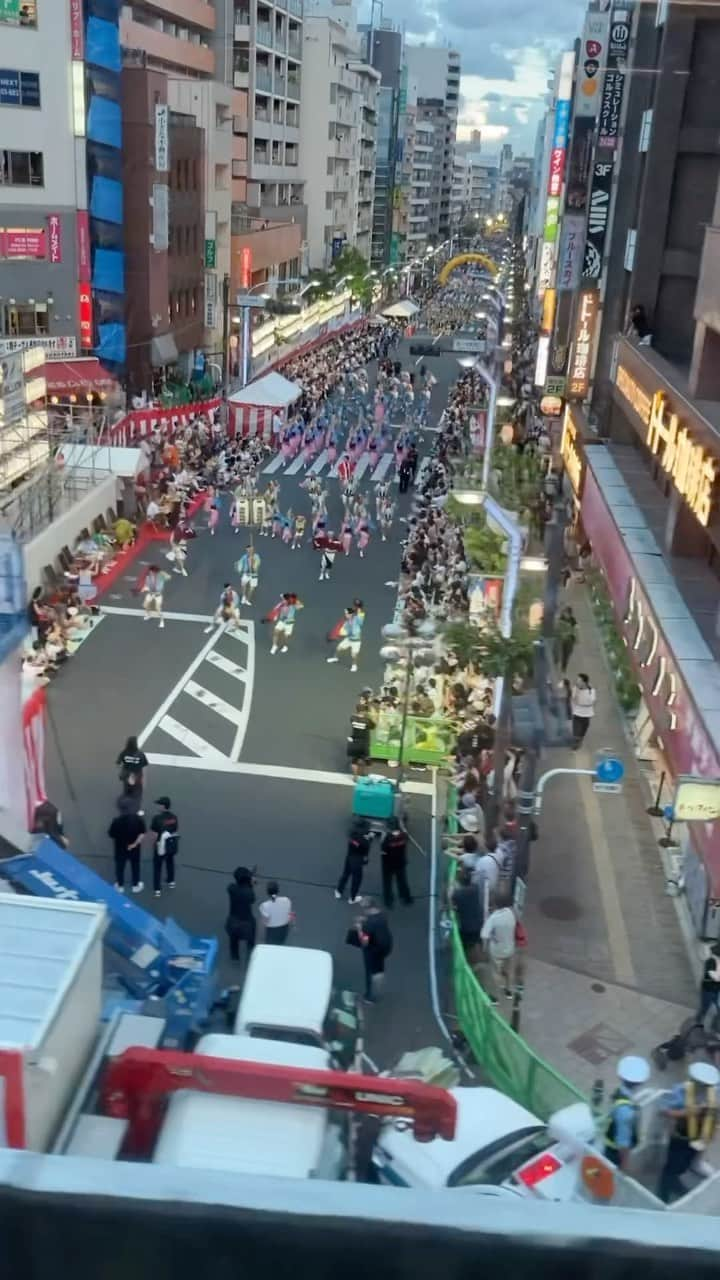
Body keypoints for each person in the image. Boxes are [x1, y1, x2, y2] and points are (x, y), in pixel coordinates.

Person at [658, 1062, 720, 1202]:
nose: (706, 1088)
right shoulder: (681, 1091)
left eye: (708, 1085)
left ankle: (675, 1182)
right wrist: (685, 1113)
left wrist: (711, 1134)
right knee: (671, 1166)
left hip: (700, 1137)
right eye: (703, 1084)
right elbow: (663, 1110)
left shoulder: (714, 1092)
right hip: (681, 1137)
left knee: (685, 1164)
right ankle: (663, 1191)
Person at [603, 1056, 651, 1170]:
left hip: (610, 1144)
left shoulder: (620, 1093)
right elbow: (623, 1143)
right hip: (614, 1153)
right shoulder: (626, 1111)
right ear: (641, 1082)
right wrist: (624, 1164)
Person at [480, 892, 517, 1003]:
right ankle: (509, 991)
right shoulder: (511, 913)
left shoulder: (493, 918)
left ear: (495, 904)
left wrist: (492, 936)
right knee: (509, 971)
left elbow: (484, 935)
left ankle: (495, 997)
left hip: (497, 950)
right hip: (510, 948)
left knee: (495, 973)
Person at [356, 898, 393, 1003]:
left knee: (370, 972)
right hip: (386, 946)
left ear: (367, 908)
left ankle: (370, 996)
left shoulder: (368, 925)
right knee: (379, 967)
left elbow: (364, 942)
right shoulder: (382, 914)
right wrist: (364, 919)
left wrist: (359, 928)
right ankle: (379, 976)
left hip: (373, 950)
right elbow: (375, 922)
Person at [108, 796, 146, 894]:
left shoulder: (116, 821)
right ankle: (135, 885)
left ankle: (120, 885)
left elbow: (111, 834)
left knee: (120, 867)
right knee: (135, 866)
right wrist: (134, 844)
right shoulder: (138, 819)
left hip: (120, 848)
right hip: (135, 849)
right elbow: (142, 833)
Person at [451, 866, 483, 966]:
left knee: (464, 947)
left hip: (466, 928)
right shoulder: (476, 889)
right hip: (478, 925)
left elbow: (451, 902)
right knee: (476, 943)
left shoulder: (458, 894)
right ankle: (477, 960)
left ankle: (466, 963)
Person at [150, 796, 179, 897]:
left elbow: (154, 834)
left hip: (160, 845)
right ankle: (171, 881)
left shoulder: (156, 818)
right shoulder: (174, 817)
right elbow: (175, 830)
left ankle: (157, 889)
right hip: (170, 845)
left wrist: (153, 844)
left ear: (163, 806)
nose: (157, 806)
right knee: (170, 862)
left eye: (159, 804)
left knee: (157, 867)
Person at [225, 865, 256, 962]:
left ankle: (235, 956)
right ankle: (250, 951)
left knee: (233, 940)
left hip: (233, 921)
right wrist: (251, 884)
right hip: (246, 923)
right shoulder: (249, 893)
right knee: (252, 929)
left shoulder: (231, 888)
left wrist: (249, 881)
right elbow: (252, 899)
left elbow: (240, 888)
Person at [335, 823, 370, 904]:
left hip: (349, 857)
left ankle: (338, 891)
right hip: (357, 862)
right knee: (356, 880)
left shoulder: (351, 835)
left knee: (345, 874)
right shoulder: (365, 841)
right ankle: (352, 898)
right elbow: (365, 853)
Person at [380, 823, 413, 907]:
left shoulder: (387, 838)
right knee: (402, 881)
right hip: (400, 863)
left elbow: (383, 851)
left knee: (387, 883)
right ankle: (406, 898)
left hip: (388, 864)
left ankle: (388, 901)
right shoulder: (404, 836)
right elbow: (407, 837)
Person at [327, 605, 364, 673]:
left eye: (347, 613)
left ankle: (354, 665)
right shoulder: (346, 622)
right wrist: (338, 634)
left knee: (354, 655)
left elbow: (360, 616)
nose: (345, 615)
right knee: (338, 648)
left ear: (351, 614)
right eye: (345, 613)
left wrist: (359, 609)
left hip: (356, 642)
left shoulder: (357, 620)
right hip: (349, 639)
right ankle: (335, 658)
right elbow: (343, 631)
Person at [259, 880, 294, 944]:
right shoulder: (287, 900)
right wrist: (291, 925)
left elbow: (264, 923)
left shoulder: (265, 905)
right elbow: (291, 914)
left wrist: (262, 936)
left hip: (271, 931)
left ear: (267, 892)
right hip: (284, 928)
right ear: (278, 890)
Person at [138, 565, 170, 629]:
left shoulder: (161, 577)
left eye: (152, 571)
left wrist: (163, 573)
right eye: (150, 572)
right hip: (150, 594)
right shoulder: (148, 577)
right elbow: (146, 585)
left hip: (158, 595)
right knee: (145, 605)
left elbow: (168, 577)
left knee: (158, 608)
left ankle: (162, 621)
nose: (151, 573)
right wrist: (143, 589)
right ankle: (148, 615)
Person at [697, 943, 720, 1028]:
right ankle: (696, 1024)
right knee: (704, 1009)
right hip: (708, 991)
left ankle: (715, 1026)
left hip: (717, 990)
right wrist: (717, 962)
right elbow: (717, 978)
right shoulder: (709, 962)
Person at [571, 673, 596, 748]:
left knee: (582, 731)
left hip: (586, 715)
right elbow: (573, 697)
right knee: (576, 732)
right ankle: (575, 743)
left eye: (579, 681)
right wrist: (577, 691)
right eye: (577, 680)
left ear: (584, 682)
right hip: (577, 713)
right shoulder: (575, 688)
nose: (577, 682)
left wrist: (584, 700)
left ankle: (579, 741)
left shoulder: (591, 691)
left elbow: (592, 701)